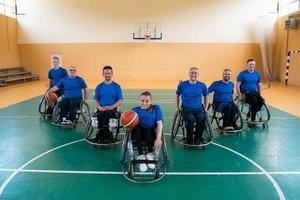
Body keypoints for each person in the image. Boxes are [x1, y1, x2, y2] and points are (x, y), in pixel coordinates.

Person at [175, 67, 209, 145]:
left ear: (198, 75)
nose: (193, 74)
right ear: (189, 74)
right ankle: (189, 139)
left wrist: (206, 108)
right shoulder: (182, 85)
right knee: (191, 119)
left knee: (201, 118)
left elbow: (206, 96)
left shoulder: (202, 85)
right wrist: (177, 107)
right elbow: (177, 95)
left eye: (195, 73)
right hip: (187, 109)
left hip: (198, 109)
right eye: (192, 73)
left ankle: (197, 138)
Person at [132, 91, 163, 171]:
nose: (144, 103)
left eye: (147, 101)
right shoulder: (134, 110)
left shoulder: (156, 108)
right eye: (142, 101)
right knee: (137, 128)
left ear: (151, 101)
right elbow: (128, 123)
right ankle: (140, 155)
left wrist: (158, 138)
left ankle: (150, 153)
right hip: (137, 134)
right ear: (139, 100)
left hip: (150, 133)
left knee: (147, 128)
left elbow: (159, 123)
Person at [93, 65, 123, 143]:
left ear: (112, 74)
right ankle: (104, 134)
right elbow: (95, 100)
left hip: (112, 109)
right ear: (103, 74)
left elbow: (120, 100)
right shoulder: (99, 86)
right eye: (105, 73)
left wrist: (111, 107)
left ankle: (104, 134)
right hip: (101, 108)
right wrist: (99, 107)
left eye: (109, 73)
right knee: (101, 114)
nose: (107, 75)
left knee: (106, 113)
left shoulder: (117, 86)